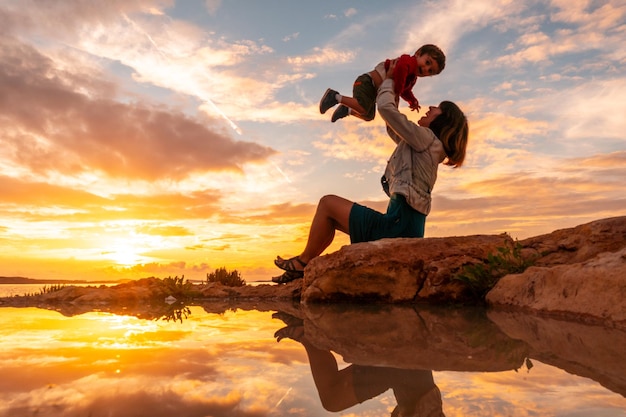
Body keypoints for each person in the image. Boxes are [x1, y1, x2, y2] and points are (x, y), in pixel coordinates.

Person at [273, 59, 468, 284]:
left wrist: (389, 79)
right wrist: (395, 92)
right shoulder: (428, 145)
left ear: (441, 120)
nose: (431, 108)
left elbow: (385, 110)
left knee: (327, 204)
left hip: (395, 226)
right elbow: (392, 126)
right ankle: (302, 267)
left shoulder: (426, 139)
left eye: (437, 109)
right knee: (331, 215)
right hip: (405, 226)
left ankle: (302, 263)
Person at [273, 311, 446, 416]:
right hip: (405, 371)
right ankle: (308, 334)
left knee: (333, 398)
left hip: (409, 374)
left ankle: (310, 332)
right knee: (334, 398)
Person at [319, 44, 445, 122]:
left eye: (430, 71)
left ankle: (348, 109)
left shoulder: (412, 78)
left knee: (368, 116)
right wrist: (397, 91)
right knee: (363, 107)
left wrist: (412, 101)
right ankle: (334, 96)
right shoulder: (407, 62)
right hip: (367, 83)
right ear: (418, 54)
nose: (425, 69)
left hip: (372, 93)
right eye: (427, 62)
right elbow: (400, 72)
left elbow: (406, 91)